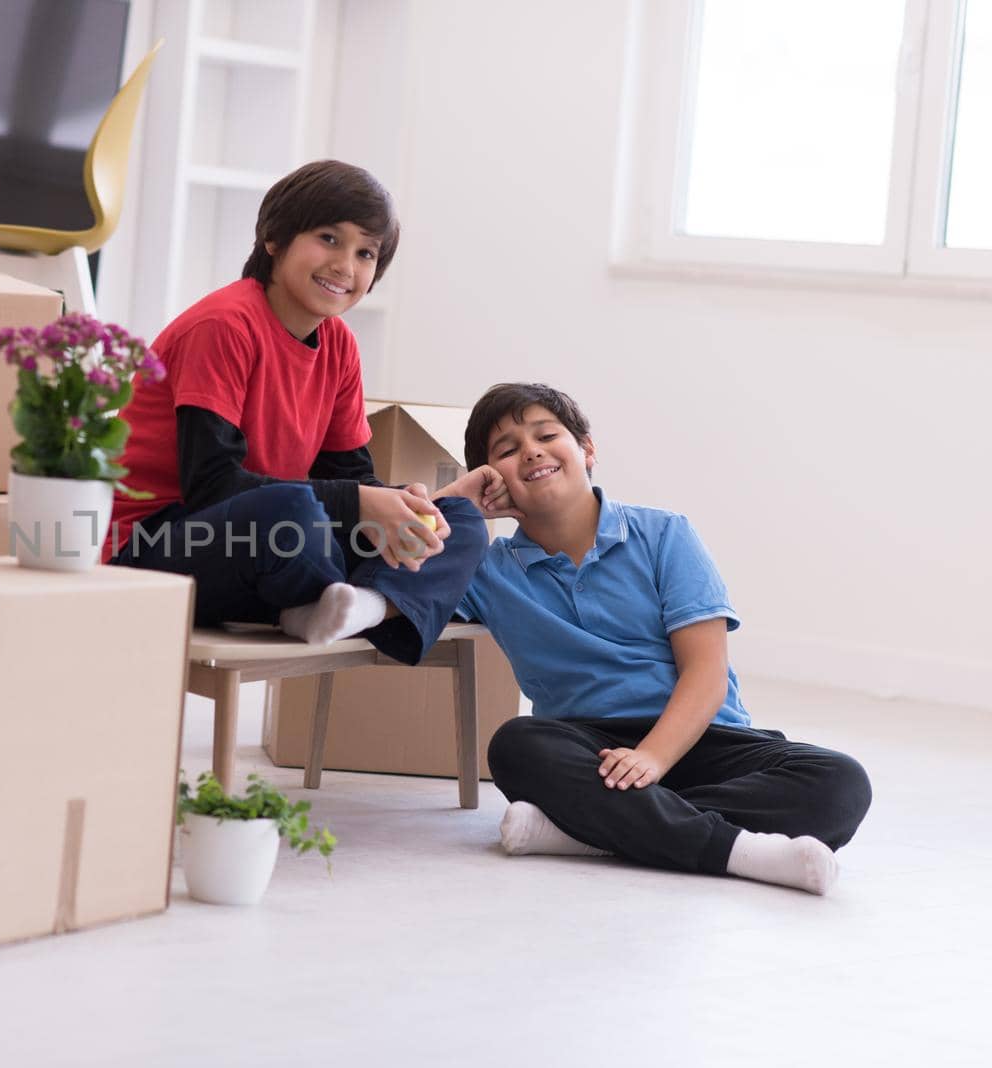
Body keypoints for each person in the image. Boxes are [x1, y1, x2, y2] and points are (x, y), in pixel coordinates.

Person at [436, 383, 872, 893]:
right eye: (506, 451)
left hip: (704, 740)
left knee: (840, 781)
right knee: (516, 745)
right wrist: (455, 507)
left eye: (546, 435)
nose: (530, 450)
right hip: (589, 748)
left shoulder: (665, 533)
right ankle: (738, 850)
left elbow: (706, 674)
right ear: (492, 480)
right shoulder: (487, 571)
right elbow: (388, 566)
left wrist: (653, 758)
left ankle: (583, 832)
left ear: (587, 450)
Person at [107, 160, 499, 665]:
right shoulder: (223, 325)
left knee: (458, 521)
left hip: (274, 543)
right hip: (164, 543)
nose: (345, 266)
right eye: (329, 239)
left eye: (366, 253)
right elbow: (213, 486)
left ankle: (360, 605)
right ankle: (336, 598)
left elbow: (349, 476)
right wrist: (362, 504)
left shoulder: (339, 345)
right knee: (292, 513)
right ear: (275, 238)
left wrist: (403, 508)